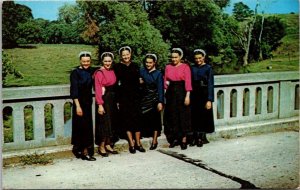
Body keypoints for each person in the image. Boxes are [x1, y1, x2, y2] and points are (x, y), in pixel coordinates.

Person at [114, 46, 145, 154]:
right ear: (120, 56)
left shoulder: (135, 65)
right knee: (126, 120)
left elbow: (140, 79)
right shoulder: (117, 67)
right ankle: (131, 144)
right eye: (123, 55)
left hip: (135, 96)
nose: (126, 56)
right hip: (124, 97)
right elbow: (115, 84)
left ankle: (138, 143)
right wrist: (117, 100)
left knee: (137, 119)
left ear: (130, 54)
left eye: (127, 54)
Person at [163, 48, 192, 150]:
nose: (174, 59)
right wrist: (165, 94)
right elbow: (166, 81)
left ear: (180, 57)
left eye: (176, 57)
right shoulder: (168, 67)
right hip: (171, 92)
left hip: (181, 91)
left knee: (182, 115)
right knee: (172, 115)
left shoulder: (185, 67)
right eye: (172, 57)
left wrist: (187, 95)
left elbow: (188, 81)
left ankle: (184, 138)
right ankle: (174, 138)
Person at [70, 51, 96, 161]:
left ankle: (86, 150)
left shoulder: (91, 71)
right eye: (84, 61)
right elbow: (74, 90)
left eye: (88, 61)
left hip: (88, 102)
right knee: (80, 127)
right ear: (80, 61)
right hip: (79, 103)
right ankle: (83, 151)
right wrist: (77, 106)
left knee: (87, 127)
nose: (86, 63)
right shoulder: (75, 73)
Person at [94, 52, 119, 157]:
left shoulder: (112, 71)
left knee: (111, 122)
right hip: (105, 99)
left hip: (112, 99)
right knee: (104, 123)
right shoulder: (99, 72)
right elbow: (98, 89)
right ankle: (102, 146)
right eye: (105, 61)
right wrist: (100, 104)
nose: (107, 63)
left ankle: (109, 144)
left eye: (109, 61)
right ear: (102, 61)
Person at [190, 49, 215, 147]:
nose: (198, 60)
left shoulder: (208, 68)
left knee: (203, 115)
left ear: (203, 57)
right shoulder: (192, 68)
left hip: (203, 93)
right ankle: (194, 137)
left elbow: (210, 84)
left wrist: (209, 99)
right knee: (194, 115)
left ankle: (201, 137)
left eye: (200, 58)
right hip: (194, 93)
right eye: (196, 58)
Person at [139, 53, 164, 150]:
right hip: (144, 98)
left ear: (154, 63)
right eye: (146, 62)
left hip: (154, 99)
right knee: (142, 118)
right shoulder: (142, 71)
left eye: (150, 63)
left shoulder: (158, 74)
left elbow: (160, 88)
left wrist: (160, 101)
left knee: (155, 120)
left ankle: (154, 140)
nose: (148, 64)